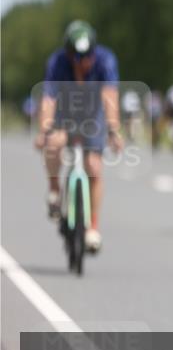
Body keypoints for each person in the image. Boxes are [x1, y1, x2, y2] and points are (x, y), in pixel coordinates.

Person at [34, 20, 122, 253]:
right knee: (54, 143)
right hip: (65, 111)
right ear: (68, 53)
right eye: (77, 57)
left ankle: (93, 227)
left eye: (87, 56)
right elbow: (49, 99)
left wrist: (113, 130)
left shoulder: (105, 60)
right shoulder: (57, 62)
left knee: (94, 167)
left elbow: (110, 96)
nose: (83, 62)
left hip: (93, 114)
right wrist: (44, 131)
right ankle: (55, 190)